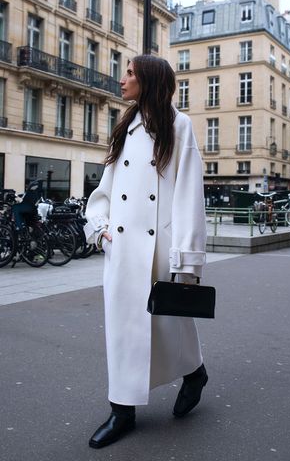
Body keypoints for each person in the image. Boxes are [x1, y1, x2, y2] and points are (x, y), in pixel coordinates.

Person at [84, 54, 208, 448]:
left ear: (149, 80)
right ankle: (122, 410)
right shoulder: (126, 126)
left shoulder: (178, 125)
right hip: (122, 247)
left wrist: (186, 257)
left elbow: (189, 194)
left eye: (131, 74)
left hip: (160, 247)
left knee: (171, 323)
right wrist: (100, 226)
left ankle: (195, 373)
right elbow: (106, 186)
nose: (122, 80)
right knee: (123, 329)